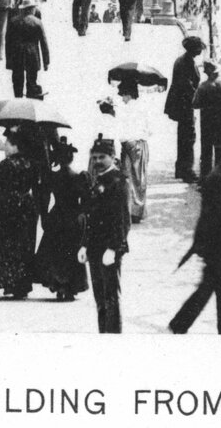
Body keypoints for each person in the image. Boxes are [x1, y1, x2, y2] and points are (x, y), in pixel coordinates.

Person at [170, 133, 221, 335]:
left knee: (211, 288)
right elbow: (218, 215)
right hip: (218, 244)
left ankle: (182, 324)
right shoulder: (218, 178)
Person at [0, 137, 41, 298]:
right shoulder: (32, 163)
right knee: (25, 245)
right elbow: (36, 188)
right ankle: (22, 283)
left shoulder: (5, 164)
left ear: (16, 146)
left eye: (8, 143)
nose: (5, 147)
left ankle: (9, 281)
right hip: (27, 208)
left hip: (8, 206)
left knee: (8, 245)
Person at [84, 137, 131, 332]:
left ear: (112, 157)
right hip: (95, 248)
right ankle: (103, 333)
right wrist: (84, 244)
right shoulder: (98, 179)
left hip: (109, 249)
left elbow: (122, 220)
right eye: (93, 158)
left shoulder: (119, 181)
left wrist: (114, 248)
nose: (97, 161)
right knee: (100, 298)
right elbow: (91, 217)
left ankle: (113, 337)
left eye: (101, 157)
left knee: (111, 297)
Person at [31, 138, 88, 301]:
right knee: (70, 252)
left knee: (56, 252)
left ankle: (58, 285)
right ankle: (69, 287)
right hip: (73, 217)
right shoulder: (79, 176)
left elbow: (44, 198)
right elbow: (85, 201)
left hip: (57, 215)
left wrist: (44, 216)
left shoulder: (52, 176)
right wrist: (82, 217)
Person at [166, 35, 206, 184]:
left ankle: (181, 168)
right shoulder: (186, 62)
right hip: (184, 105)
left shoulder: (183, 60)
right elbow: (187, 87)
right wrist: (199, 98)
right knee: (188, 137)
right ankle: (186, 171)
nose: (200, 51)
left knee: (183, 136)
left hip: (181, 104)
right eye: (199, 48)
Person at [114, 80, 151, 221]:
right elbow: (149, 129)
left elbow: (122, 132)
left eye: (123, 95)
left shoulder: (127, 108)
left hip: (130, 144)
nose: (122, 98)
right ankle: (138, 210)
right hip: (142, 143)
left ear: (128, 94)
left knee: (128, 178)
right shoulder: (143, 106)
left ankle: (132, 211)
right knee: (140, 178)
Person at [194, 62, 221, 184]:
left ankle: (205, 178)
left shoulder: (203, 86)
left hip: (207, 120)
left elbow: (195, 104)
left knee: (206, 150)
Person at [4, 0, 51, 99]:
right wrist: (46, 62)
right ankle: (31, 99)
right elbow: (44, 43)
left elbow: (8, 42)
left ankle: (18, 99)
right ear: (31, 9)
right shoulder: (37, 22)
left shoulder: (13, 21)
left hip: (17, 54)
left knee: (17, 80)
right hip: (32, 54)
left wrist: (8, 61)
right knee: (32, 80)